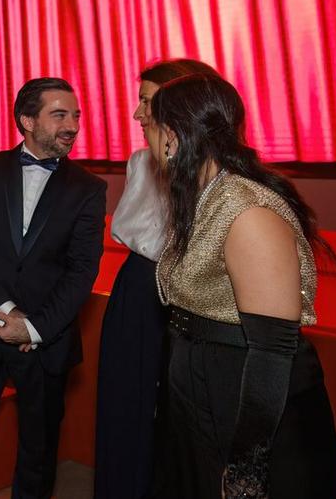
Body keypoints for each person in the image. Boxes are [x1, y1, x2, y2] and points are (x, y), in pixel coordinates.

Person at [148, 74, 336, 498]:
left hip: (244, 392)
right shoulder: (203, 197)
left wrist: (247, 468)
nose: (145, 136)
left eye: (150, 126)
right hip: (206, 382)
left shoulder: (248, 211)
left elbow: (272, 350)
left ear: (172, 137)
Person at [0, 77, 107, 499]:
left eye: (76, 116)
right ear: (27, 120)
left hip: (45, 339)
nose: (72, 125)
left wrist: (33, 327)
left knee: (39, 452)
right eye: (59, 115)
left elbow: (82, 272)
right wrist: (4, 310)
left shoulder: (89, 188)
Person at [93, 58, 218, 498]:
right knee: (125, 397)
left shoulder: (213, 174)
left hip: (183, 292)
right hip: (135, 289)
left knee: (173, 409)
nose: (137, 113)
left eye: (147, 101)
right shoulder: (139, 162)